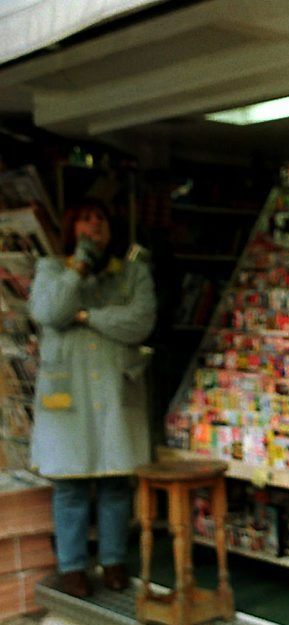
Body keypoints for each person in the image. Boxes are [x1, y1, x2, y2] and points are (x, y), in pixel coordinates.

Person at [29, 201, 156, 598]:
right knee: (71, 488)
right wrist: (78, 266)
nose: (93, 227)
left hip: (115, 392)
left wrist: (85, 317)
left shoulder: (131, 271)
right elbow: (49, 312)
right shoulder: (52, 269)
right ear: (71, 228)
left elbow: (139, 322)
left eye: (100, 219)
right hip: (68, 398)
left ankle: (114, 560)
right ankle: (72, 567)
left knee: (116, 483)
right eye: (85, 220)